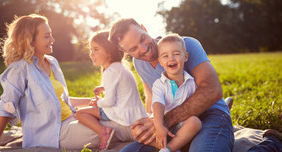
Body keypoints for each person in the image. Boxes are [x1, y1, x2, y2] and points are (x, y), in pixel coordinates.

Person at [0, 14, 133, 152]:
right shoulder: (19, 70)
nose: (52, 40)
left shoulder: (52, 62)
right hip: (56, 133)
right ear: (30, 40)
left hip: (73, 118)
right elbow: (5, 112)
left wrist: (93, 102)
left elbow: (61, 101)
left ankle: (153, 129)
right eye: (47, 36)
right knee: (120, 128)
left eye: (51, 35)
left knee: (128, 117)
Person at [108, 18, 234, 152]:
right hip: (174, 126)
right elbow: (151, 97)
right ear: (125, 51)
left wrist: (165, 121)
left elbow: (212, 91)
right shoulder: (139, 63)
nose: (144, 49)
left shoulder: (186, 45)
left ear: (144, 28)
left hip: (209, 114)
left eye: (142, 38)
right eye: (134, 48)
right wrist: (151, 124)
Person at [75, 31, 147, 150]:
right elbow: (119, 86)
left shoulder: (110, 71)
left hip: (121, 113)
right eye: (91, 50)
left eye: (96, 49)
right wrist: (104, 87)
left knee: (80, 113)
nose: (91, 54)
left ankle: (103, 132)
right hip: (134, 113)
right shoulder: (120, 67)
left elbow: (109, 102)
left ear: (109, 51)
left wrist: (97, 103)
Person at [152, 34, 202, 151]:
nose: (171, 59)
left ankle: (168, 149)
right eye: (165, 56)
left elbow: (197, 105)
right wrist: (159, 126)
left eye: (176, 54)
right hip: (165, 126)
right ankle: (174, 145)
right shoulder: (159, 84)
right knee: (144, 130)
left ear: (185, 57)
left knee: (195, 122)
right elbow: (157, 104)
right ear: (160, 61)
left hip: (185, 127)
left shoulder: (191, 82)